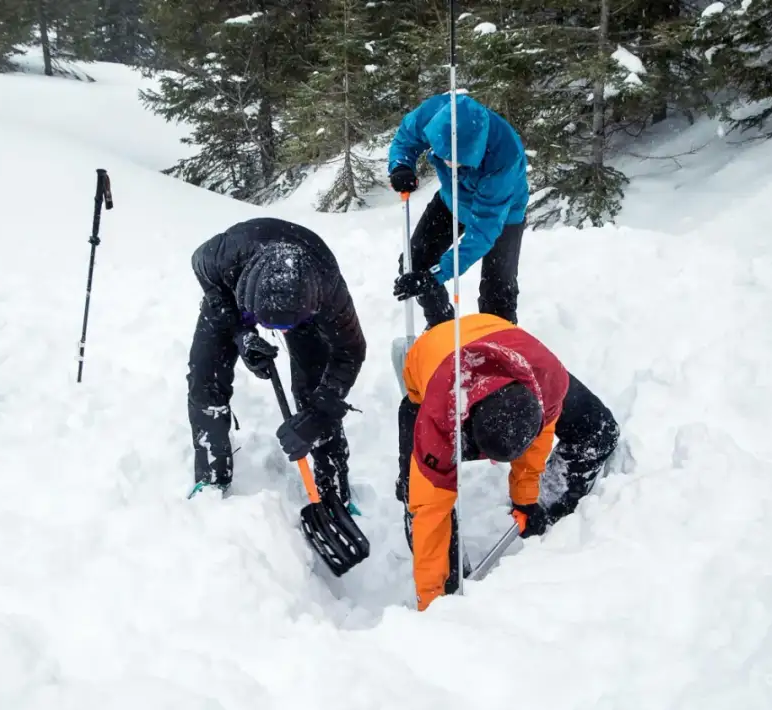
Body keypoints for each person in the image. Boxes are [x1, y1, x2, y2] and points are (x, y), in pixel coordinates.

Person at [397, 307, 620, 611]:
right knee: (423, 501)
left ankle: (549, 499)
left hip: (513, 350)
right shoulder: (438, 419)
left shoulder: (546, 378)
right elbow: (431, 508)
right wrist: (432, 602)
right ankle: (445, 589)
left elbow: (540, 435)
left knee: (598, 431)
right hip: (431, 365)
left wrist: (526, 499)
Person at [186, 217, 367, 507]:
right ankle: (211, 475)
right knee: (205, 375)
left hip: (302, 303)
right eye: (272, 327)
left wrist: (319, 413)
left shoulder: (328, 289)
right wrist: (241, 334)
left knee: (315, 382)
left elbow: (351, 352)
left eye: (285, 329)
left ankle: (331, 485)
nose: (280, 335)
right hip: (233, 299)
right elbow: (200, 267)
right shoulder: (224, 255)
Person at [388, 92, 530, 327]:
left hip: (503, 215)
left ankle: (499, 346)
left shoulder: (505, 155)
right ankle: (442, 328)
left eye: (456, 160)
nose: (446, 163)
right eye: (442, 155)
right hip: (451, 200)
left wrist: (436, 276)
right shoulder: (438, 112)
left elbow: (482, 231)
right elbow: (406, 138)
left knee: (498, 289)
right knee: (415, 262)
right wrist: (401, 165)